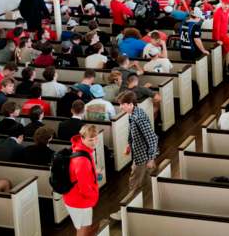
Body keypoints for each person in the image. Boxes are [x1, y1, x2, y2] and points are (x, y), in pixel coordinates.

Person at [112, 91, 158, 222]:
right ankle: (150, 206)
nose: (120, 107)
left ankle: (125, 213)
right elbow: (133, 132)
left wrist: (151, 158)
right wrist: (129, 144)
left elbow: (152, 139)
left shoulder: (139, 118)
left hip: (142, 156)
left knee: (134, 183)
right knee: (146, 181)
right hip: (138, 153)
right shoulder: (132, 114)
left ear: (131, 104)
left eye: (123, 104)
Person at [63, 125, 102, 236]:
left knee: (82, 228)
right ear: (82, 138)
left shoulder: (81, 148)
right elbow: (84, 186)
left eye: (96, 139)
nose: (94, 142)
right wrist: (93, 196)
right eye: (90, 140)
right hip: (79, 200)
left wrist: (94, 173)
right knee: (83, 231)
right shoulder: (82, 160)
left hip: (74, 197)